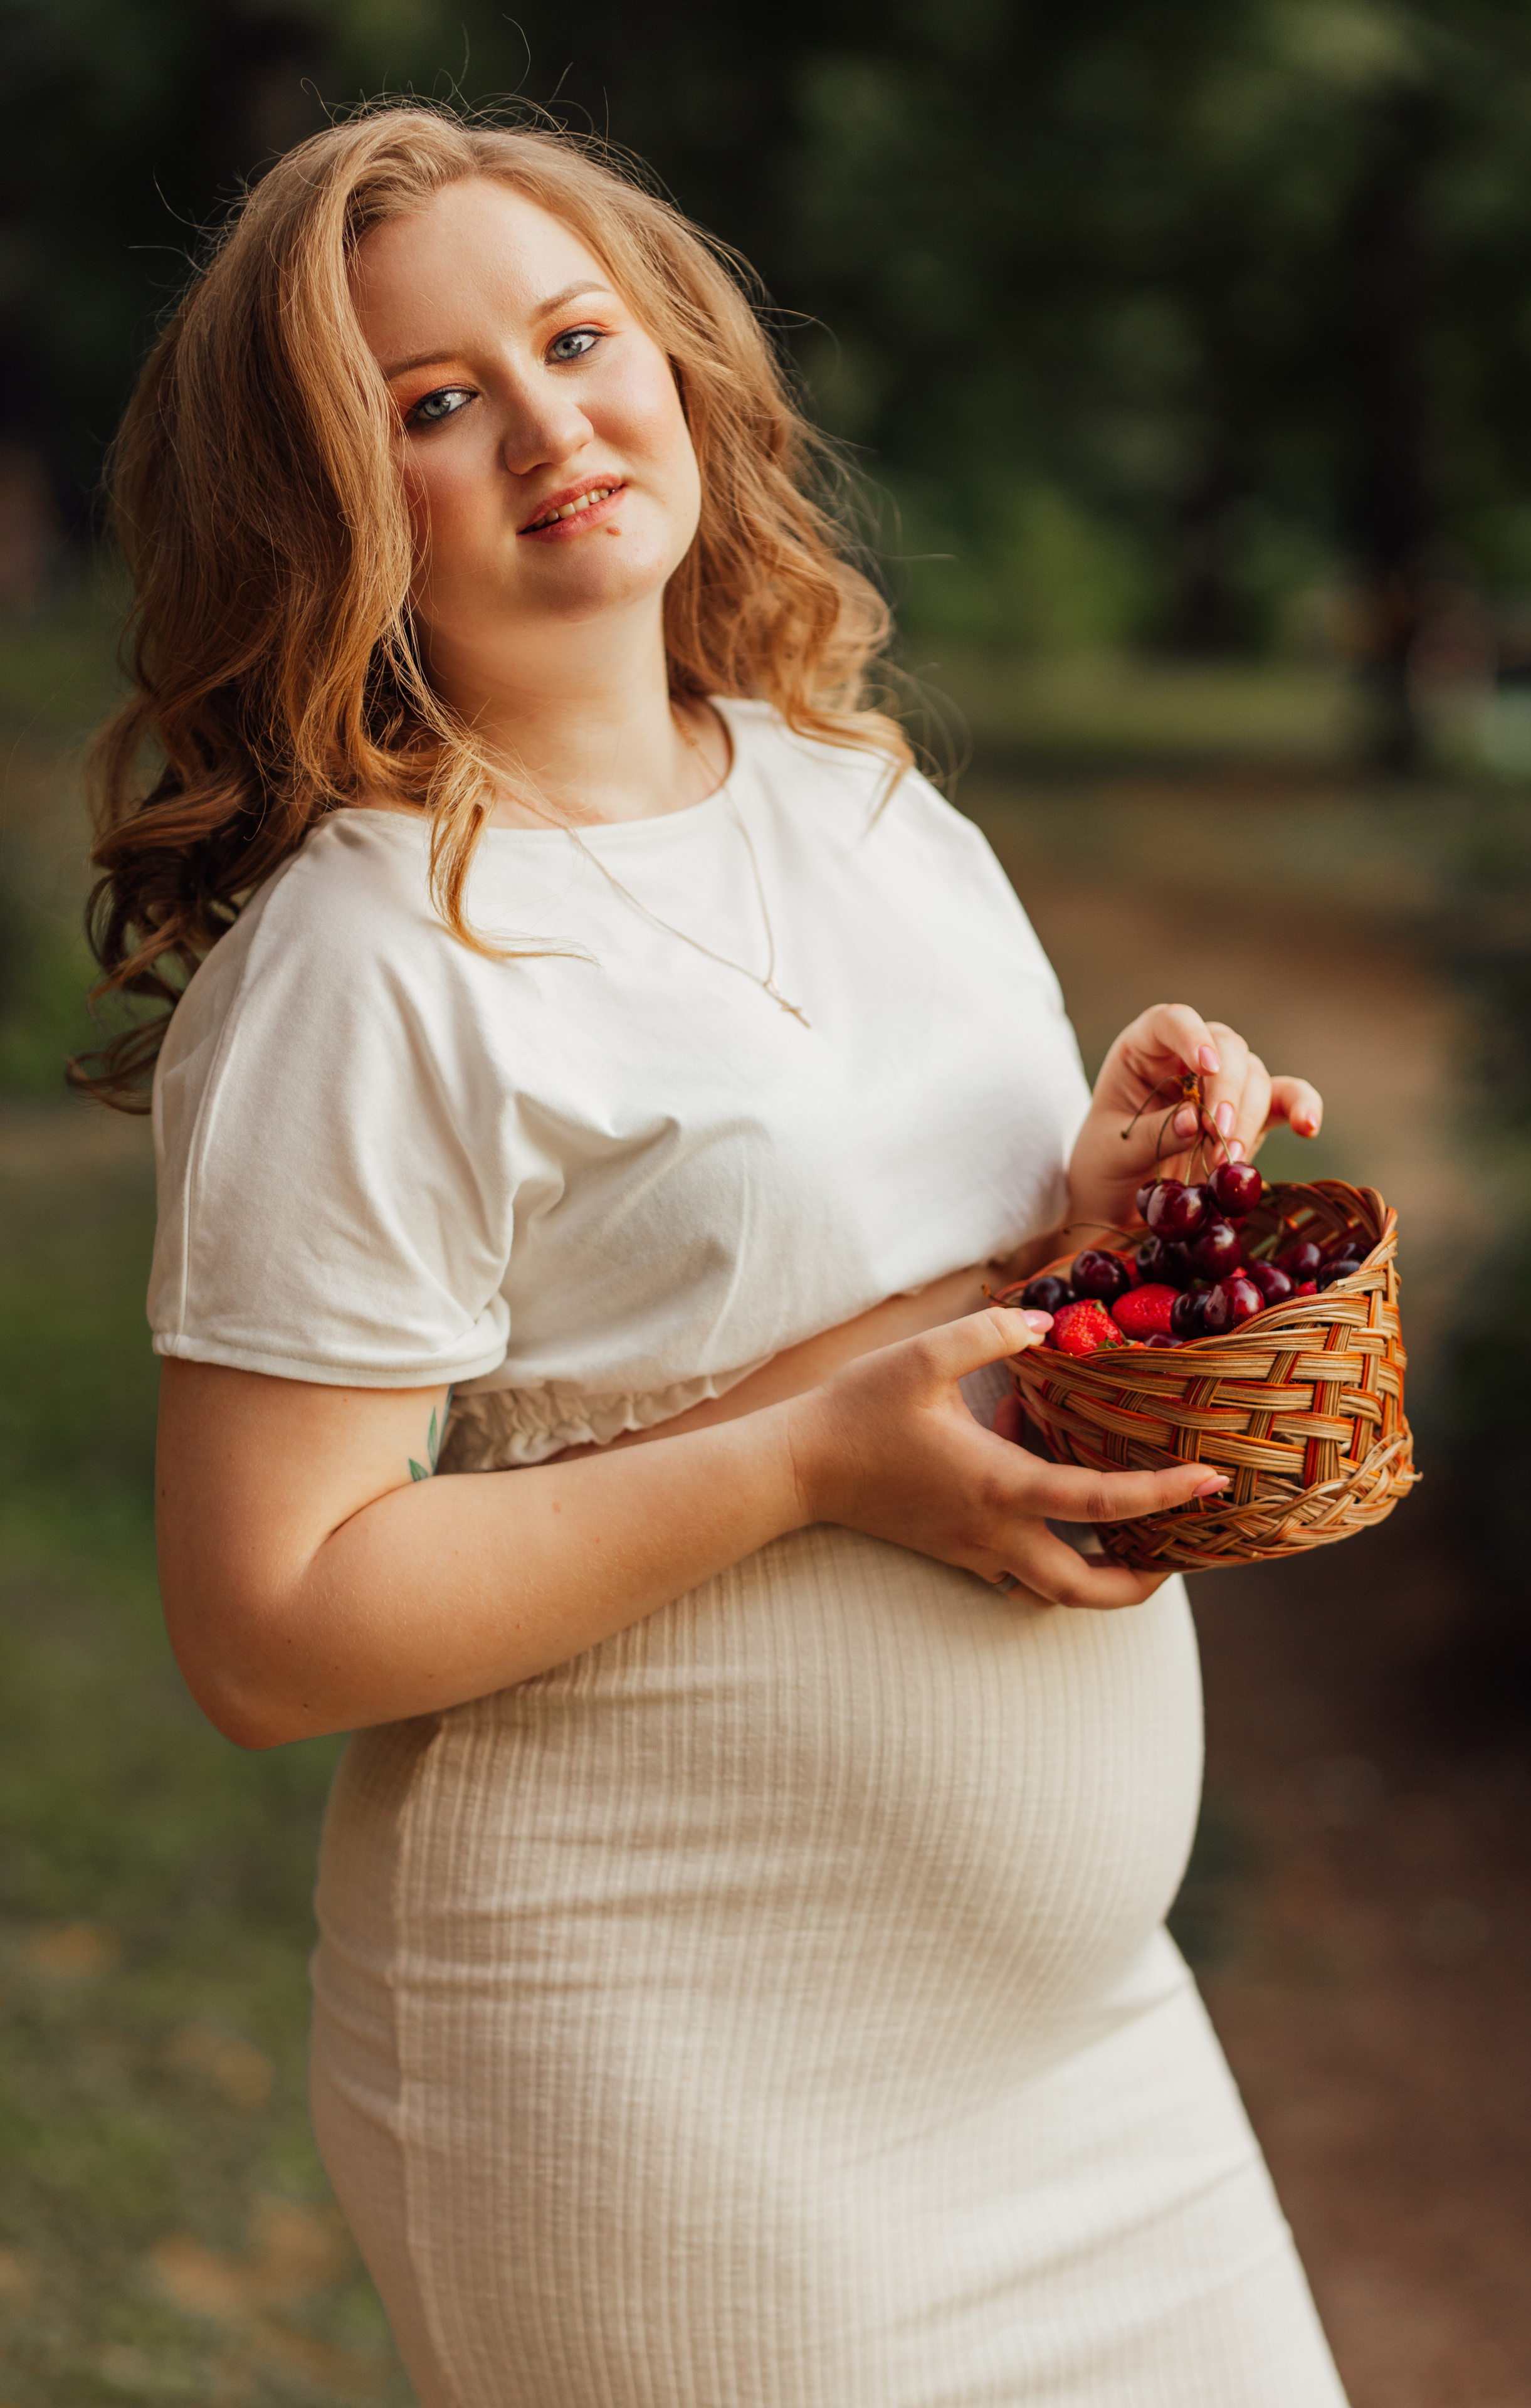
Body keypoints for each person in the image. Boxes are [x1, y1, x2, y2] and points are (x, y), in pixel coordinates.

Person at [80, 103, 1349, 2407]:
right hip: (665, 2081)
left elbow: (884, 1332)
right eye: (437, 402)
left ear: (676, 361)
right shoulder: (365, 963)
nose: (548, 423)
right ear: (326, 502)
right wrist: (803, 1470)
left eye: (578, 340)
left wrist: (1098, 1219)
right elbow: (266, 1632)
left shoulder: (866, 803)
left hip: (1086, 2052)